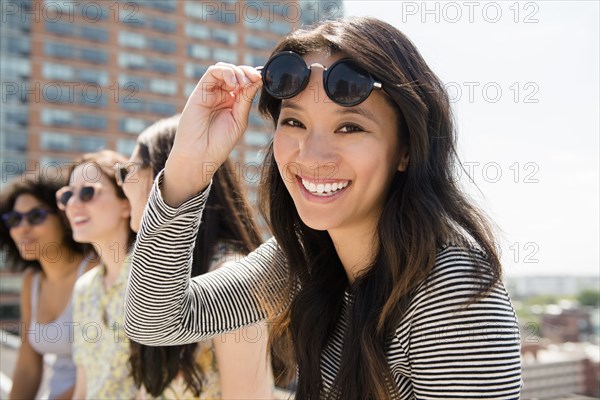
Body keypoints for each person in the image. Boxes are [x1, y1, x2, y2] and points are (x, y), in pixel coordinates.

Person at [124, 17, 522, 399]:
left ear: (405, 149)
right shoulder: (305, 255)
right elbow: (156, 319)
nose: (313, 156)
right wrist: (190, 165)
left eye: (350, 127)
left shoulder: (450, 286)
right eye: (294, 122)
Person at [118, 115, 276, 398]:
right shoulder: (154, 273)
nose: (122, 183)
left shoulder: (232, 277)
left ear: (160, 175)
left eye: (126, 171)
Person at [0, 174, 94, 399]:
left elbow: (102, 370)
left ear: (64, 217)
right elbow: (28, 366)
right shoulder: (32, 281)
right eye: (14, 219)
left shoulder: (94, 271)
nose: (22, 228)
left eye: (35, 216)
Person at [57, 150, 137, 399]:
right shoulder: (84, 288)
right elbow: (83, 387)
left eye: (87, 192)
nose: (73, 204)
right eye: (68, 195)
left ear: (126, 203)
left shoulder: (152, 279)